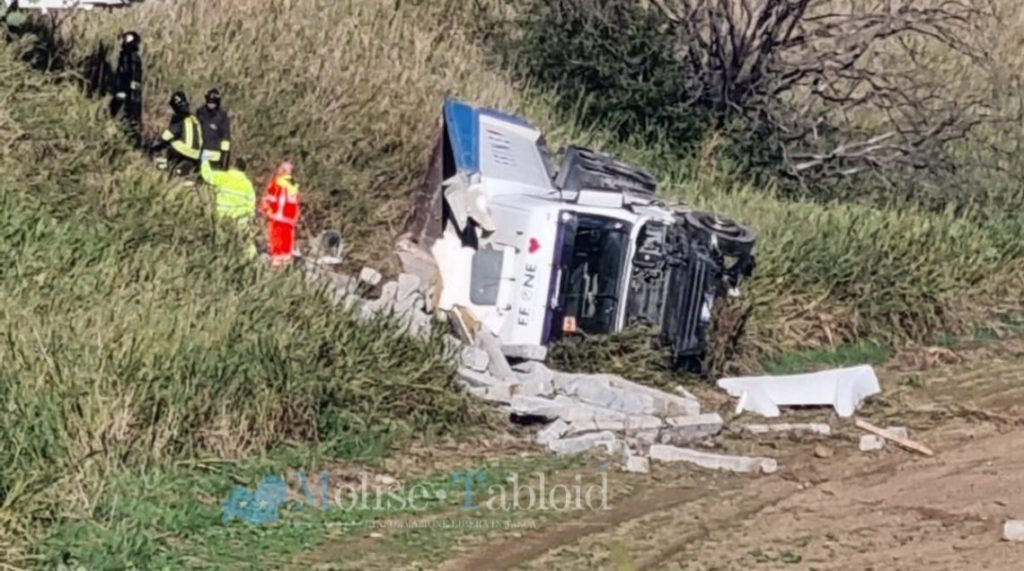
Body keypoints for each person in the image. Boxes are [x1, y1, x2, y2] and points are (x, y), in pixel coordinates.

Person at [200, 154, 257, 257]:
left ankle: (219, 257)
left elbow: (207, 175)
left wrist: (204, 160)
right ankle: (251, 260)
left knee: (221, 241)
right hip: (241, 218)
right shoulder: (247, 184)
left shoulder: (225, 176)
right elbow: (251, 205)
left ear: (233, 166)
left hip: (223, 214)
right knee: (245, 242)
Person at [149, 91, 203, 176]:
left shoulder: (179, 118)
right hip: (196, 153)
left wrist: (155, 145)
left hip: (182, 149)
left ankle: (162, 171)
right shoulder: (195, 119)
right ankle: (183, 171)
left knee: (165, 150)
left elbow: (168, 135)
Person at [260, 161, 301, 267]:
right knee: (286, 246)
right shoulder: (293, 185)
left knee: (276, 245)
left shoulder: (276, 183)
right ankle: (285, 266)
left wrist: (265, 211)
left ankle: (275, 266)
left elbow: (267, 199)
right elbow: (296, 204)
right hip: (289, 221)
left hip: (276, 218)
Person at [110, 30, 143, 148]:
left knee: (128, 119)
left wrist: (123, 91)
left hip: (127, 95)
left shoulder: (130, 57)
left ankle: (131, 143)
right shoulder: (129, 57)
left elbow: (129, 77)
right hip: (130, 95)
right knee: (131, 119)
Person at [196, 88, 232, 169]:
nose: (211, 104)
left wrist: (224, 159)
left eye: (213, 102)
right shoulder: (200, 113)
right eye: (209, 101)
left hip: (215, 154)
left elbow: (226, 137)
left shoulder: (222, 117)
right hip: (200, 151)